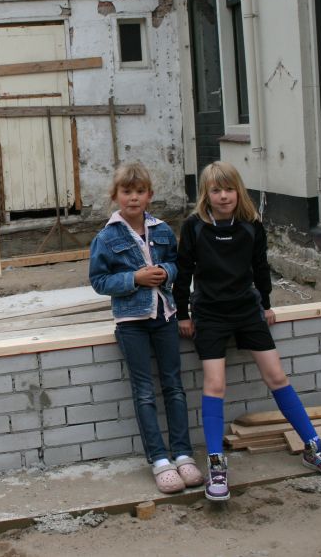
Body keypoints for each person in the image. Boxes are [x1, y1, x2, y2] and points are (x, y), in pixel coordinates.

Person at [173, 161, 321, 502]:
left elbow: (260, 268)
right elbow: (183, 272)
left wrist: (266, 305)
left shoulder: (251, 225)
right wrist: (182, 313)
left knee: (277, 377)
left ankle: (314, 448)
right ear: (206, 194)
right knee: (215, 384)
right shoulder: (194, 227)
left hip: (247, 311)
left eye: (229, 189)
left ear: (238, 191)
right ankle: (216, 463)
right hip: (209, 314)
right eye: (216, 190)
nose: (223, 196)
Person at [89, 162, 203, 494]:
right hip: (131, 323)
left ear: (150, 195)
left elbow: (178, 265)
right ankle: (160, 460)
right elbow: (99, 281)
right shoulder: (106, 237)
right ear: (115, 195)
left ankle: (183, 454)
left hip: (165, 317)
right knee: (144, 391)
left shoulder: (163, 230)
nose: (133, 198)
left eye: (140, 192)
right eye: (127, 191)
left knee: (174, 386)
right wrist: (134, 278)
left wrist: (166, 272)